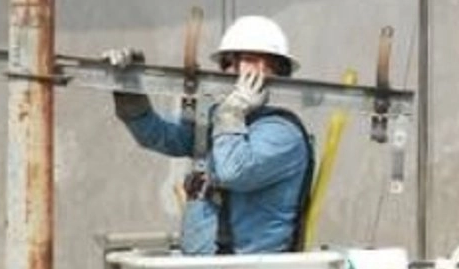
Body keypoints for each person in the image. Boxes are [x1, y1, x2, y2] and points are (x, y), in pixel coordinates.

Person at [104, 15, 314, 255]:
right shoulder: (222, 122)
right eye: (226, 61)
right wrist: (129, 87)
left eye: (245, 60)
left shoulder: (282, 134)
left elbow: (232, 170)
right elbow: (155, 135)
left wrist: (231, 111)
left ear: (275, 69)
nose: (231, 70)